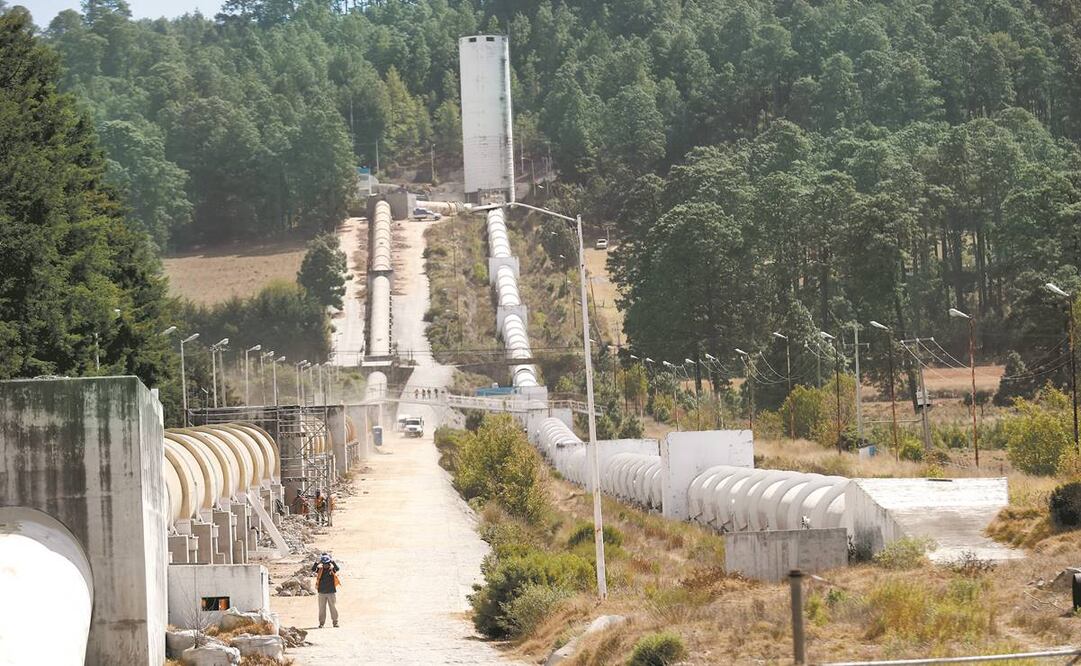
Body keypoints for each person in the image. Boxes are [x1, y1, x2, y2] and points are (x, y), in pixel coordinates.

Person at [311, 553, 340, 628]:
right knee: (322, 609)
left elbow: (337, 568)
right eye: (324, 563)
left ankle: (335, 622)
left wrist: (332, 561)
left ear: (329, 563)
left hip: (331, 592)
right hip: (321, 593)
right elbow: (313, 569)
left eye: (327, 563)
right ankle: (321, 623)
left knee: (333, 608)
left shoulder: (332, 570)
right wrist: (317, 562)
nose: (325, 565)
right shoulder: (320, 570)